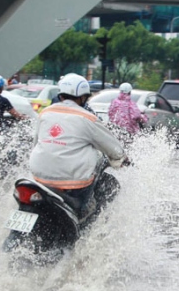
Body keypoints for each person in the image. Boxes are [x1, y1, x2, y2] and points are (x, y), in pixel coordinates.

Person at [29, 73, 127, 218]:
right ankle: (84, 221)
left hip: (38, 177)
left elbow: (36, 143)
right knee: (92, 200)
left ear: (61, 94)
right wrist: (122, 159)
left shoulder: (45, 112)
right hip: (71, 183)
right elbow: (115, 150)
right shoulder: (88, 118)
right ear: (83, 97)